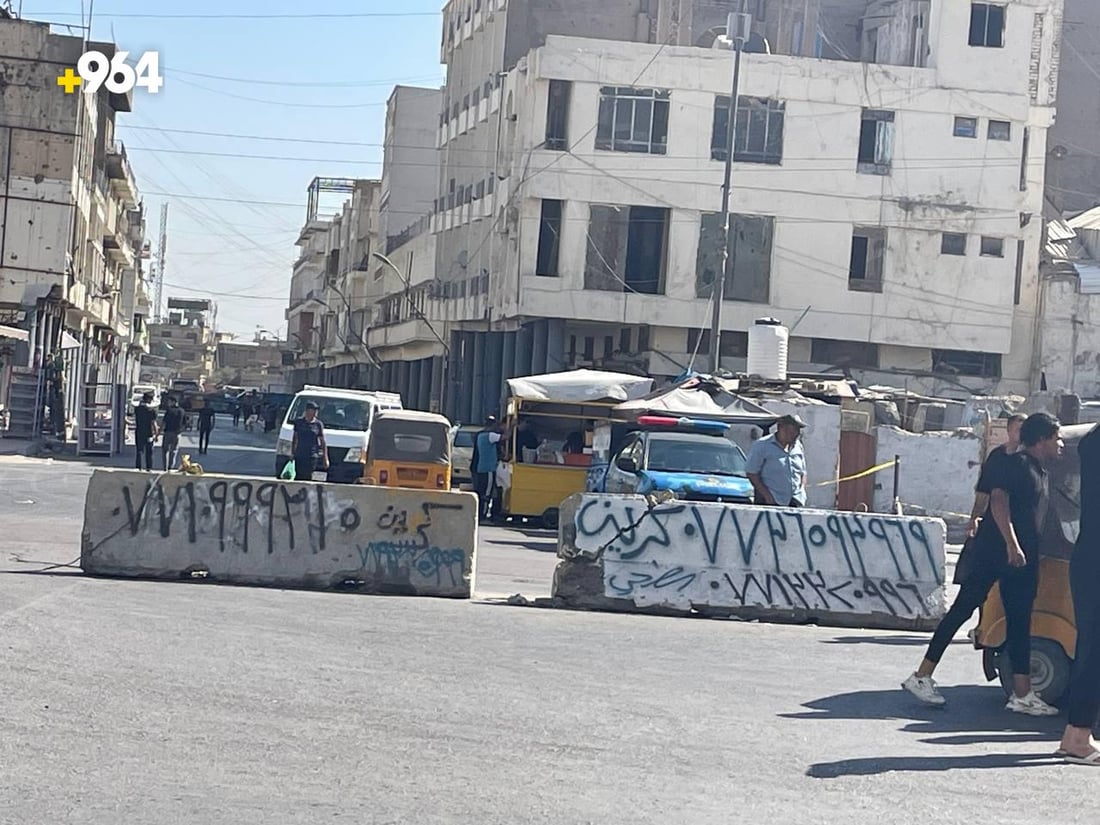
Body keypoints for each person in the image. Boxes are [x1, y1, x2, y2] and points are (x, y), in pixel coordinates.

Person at [902, 412, 1063, 715]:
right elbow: (998, 501)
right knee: (964, 609)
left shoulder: (1041, 472)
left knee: (1019, 622)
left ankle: (1022, 694)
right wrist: (1012, 545)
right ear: (1041, 440)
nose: (1061, 444)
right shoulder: (1015, 465)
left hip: (1019, 557)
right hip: (1000, 554)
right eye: (1057, 438)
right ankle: (921, 675)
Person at [1059, 423, 1100, 764]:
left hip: (1089, 557)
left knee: (1091, 646)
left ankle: (1077, 734)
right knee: (1094, 648)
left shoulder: (1091, 440)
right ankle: (1077, 737)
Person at [968, 414, 1027, 538]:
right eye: (1018, 429)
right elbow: (983, 490)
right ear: (1009, 430)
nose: (1022, 433)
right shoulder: (997, 457)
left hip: (1022, 522)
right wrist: (974, 517)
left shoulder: (1029, 458)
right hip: (996, 520)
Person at [745, 414, 808, 507]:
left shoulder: (798, 446)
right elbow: (751, 473)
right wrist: (767, 496)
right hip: (770, 501)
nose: (796, 434)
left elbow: (803, 472)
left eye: (797, 431)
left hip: (795, 501)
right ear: (780, 428)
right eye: (792, 430)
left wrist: (802, 491)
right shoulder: (762, 445)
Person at [472, 416, 503, 520]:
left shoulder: (480, 436)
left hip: (480, 468)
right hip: (489, 469)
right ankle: (483, 514)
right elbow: (506, 437)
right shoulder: (490, 436)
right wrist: (512, 426)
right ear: (492, 425)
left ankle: (480, 513)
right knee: (487, 493)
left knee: (480, 491)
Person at [291, 401, 329, 482]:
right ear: (307, 411)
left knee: (307, 476)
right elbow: (295, 438)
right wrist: (292, 453)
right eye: (313, 410)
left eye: (316, 410)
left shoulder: (318, 424)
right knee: (298, 476)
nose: (315, 412)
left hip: (312, 455)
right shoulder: (299, 422)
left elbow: (322, 441)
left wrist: (325, 458)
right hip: (300, 454)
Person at [133, 391, 159, 471]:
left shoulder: (137, 409)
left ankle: (138, 467)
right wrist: (156, 434)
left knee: (139, 450)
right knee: (149, 452)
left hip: (139, 432)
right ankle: (149, 467)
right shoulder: (151, 411)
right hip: (149, 433)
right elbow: (154, 423)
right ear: (148, 399)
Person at [160, 396, 184, 471]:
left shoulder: (169, 410)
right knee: (174, 451)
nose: (168, 403)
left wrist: (158, 433)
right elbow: (185, 423)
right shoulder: (182, 411)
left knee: (165, 450)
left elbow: (164, 422)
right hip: (177, 434)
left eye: (169, 401)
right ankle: (170, 467)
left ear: (173, 402)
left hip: (168, 433)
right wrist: (180, 430)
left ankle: (165, 467)